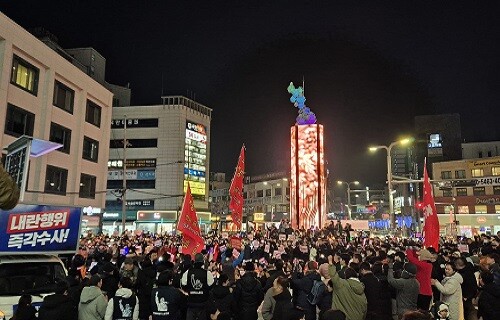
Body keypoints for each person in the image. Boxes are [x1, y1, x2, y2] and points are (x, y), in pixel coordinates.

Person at [327, 255, 367, 320]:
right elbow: (364, 308)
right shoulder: (361, 289)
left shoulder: (343, 284)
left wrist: (330, 264)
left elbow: (334, 276)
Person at [181, 253, 214, 320]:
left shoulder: (188, 272)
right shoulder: (207, 273)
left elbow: (183, 285)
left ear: (194, 261)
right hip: (203, 303)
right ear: (203, 261)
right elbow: (211, 285)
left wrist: (190, 291)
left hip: (191, 303)